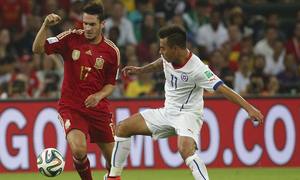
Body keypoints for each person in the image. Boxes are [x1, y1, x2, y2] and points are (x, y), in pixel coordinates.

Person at [107, 25, 264, 180]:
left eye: (163, 48)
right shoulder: (168, 57)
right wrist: (141, 70)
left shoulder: (198, 69)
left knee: (185, 149)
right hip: (167, 112)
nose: (160, 51)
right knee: (123, 127)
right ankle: (114, 177)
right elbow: (160, 62)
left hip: (188, 115)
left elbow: (223, 89)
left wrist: (249, 109)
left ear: (175, 49)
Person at [32, 1, 120, 180]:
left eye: (92, 24)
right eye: (85, 23)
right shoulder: (70, 38)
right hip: (72, 107)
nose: (87, 28)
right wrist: (45, 26)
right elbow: (37, 49)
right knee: (79, 150)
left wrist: (99, 95)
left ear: (102, 24)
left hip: (98, 109)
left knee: (114, 162)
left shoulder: (111, 51)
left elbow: (111, 84)